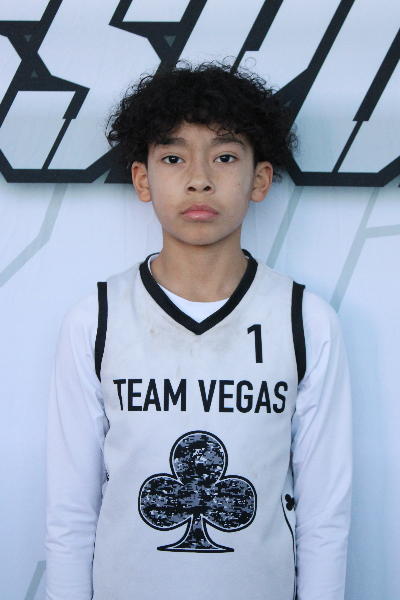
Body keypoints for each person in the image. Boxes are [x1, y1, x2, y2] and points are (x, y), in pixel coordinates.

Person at [46, 62, 352, 600]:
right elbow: (70, 512)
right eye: (173, 157)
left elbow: (325, 513)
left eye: (225, 156)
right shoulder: (95, 319)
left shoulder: (306, 320)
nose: (199, 178)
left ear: (260, 178)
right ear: (143, 178)